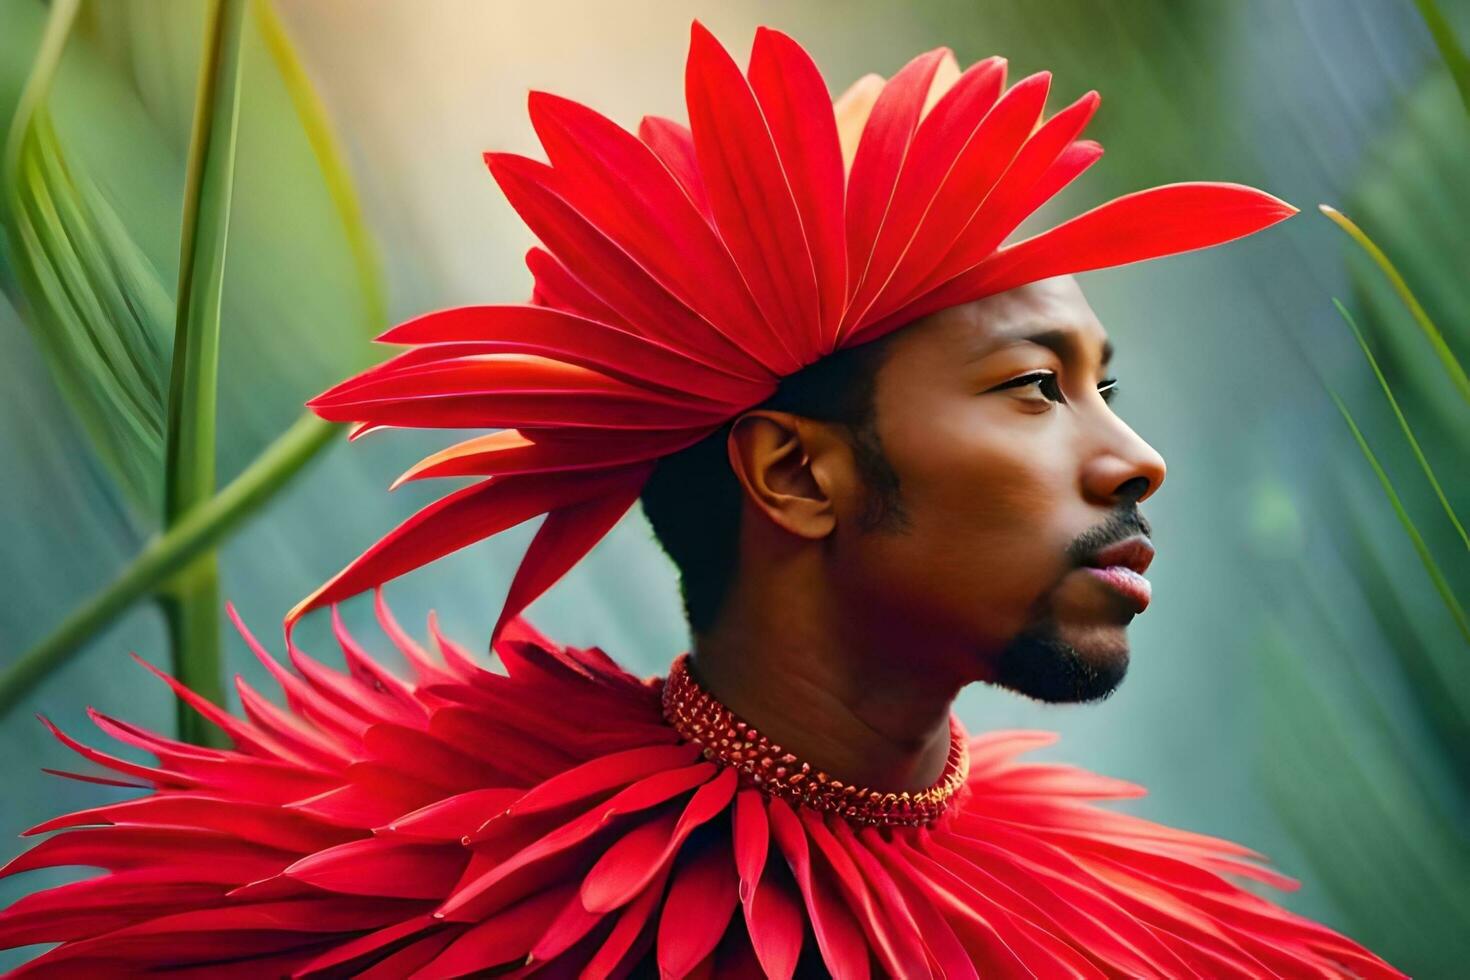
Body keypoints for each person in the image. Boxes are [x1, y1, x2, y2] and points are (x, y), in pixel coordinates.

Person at [0, 21, 1401, 979]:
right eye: (1038, 387)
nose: (1132, 455)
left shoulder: (1173, 935)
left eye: (1106, 383)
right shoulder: (356, 893)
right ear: (797, 474)